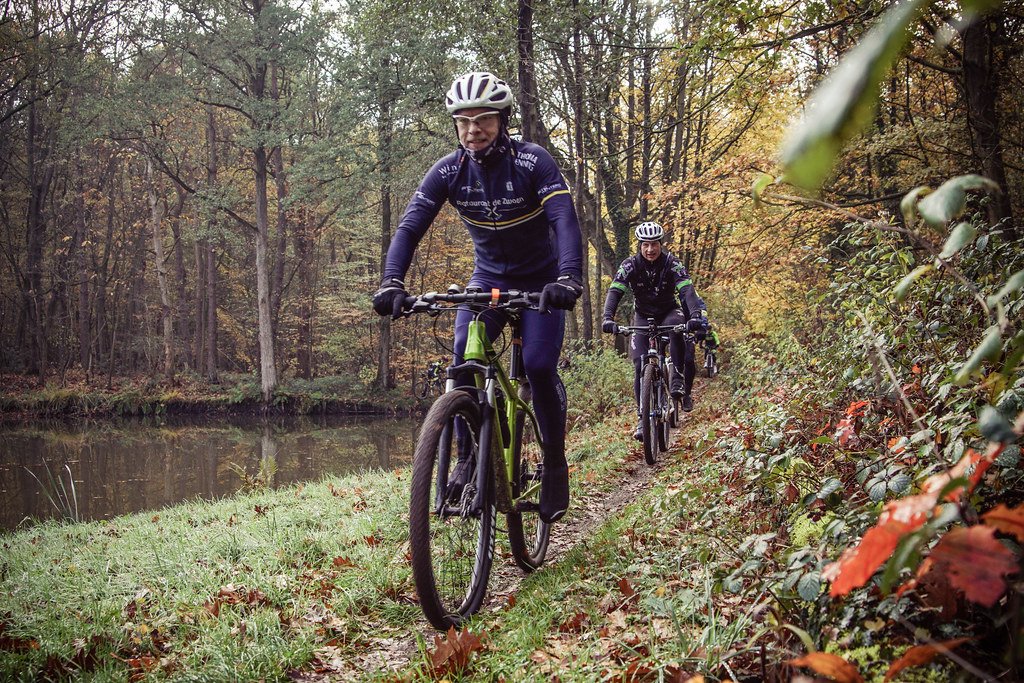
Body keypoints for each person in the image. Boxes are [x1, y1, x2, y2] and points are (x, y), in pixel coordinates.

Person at [372, 71, 584, 524]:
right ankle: (468, 459)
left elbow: (564, 219)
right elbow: (410, 227)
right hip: (486, 279)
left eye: (484, 119)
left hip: (540, 280)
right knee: (463, 361)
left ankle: (555, 464)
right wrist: (392, 281)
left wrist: (567, 277)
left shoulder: (533, 162)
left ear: (502, 119)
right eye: (464, 121)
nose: (473, 130)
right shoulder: (448, 171)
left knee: (541, 367)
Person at [601, 221, 707, 439]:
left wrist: (695, 316)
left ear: (661, 244)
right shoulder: (630, 265)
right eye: (645, 245)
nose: (650, 249)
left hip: (669, 311)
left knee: (677, 328)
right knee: (640, 363)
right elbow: (615, 291)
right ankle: (642, 418)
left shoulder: (672, 263)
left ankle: (676, 376)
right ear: (640, 245)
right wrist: (607, 317)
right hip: (642, 315)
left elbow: (687, 290)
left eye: (654, 244)